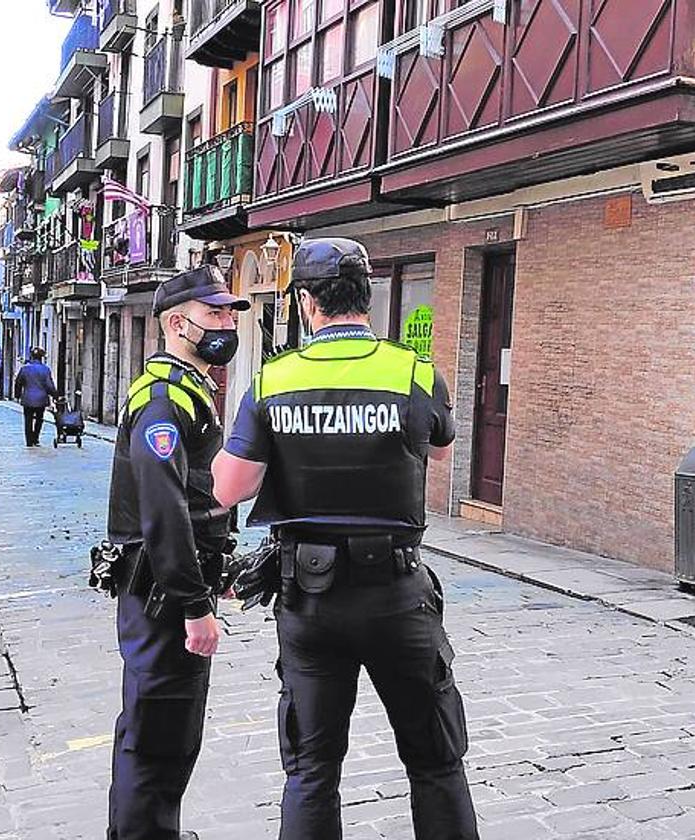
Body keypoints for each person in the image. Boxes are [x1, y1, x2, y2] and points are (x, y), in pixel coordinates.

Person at [212, 238, 478, 840]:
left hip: (311, 599)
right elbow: (440, 445)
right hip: (397, 595)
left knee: (312, 768)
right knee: (436, 761)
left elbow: (229, 489)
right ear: (367, 295)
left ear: (307, 303)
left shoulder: (273, 379)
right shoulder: (413, 372)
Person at [105, 265, 249, 840]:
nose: (227, 324)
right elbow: (163, 509)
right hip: (162, 596)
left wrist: (221, 571)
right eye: (215, 313)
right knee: (157, 733)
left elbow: (198, 498)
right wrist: (193, 605)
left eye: (230, 314)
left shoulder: (191, 390)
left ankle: (150, 830)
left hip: (174, 587)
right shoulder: (165, 399)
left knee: (168, 729)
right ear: (176, 322)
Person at [13, 348, 58, 447]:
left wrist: (17, 395)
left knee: (28, 420)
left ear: (32, 356)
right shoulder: (45, 369)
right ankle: (35, 438)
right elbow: (49, 385)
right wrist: (55, 395)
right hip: (41, 399)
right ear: (41, 358)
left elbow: (18, 383)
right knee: (39, 419)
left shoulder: (25, 369)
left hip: (28, 398)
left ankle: (29, 441)